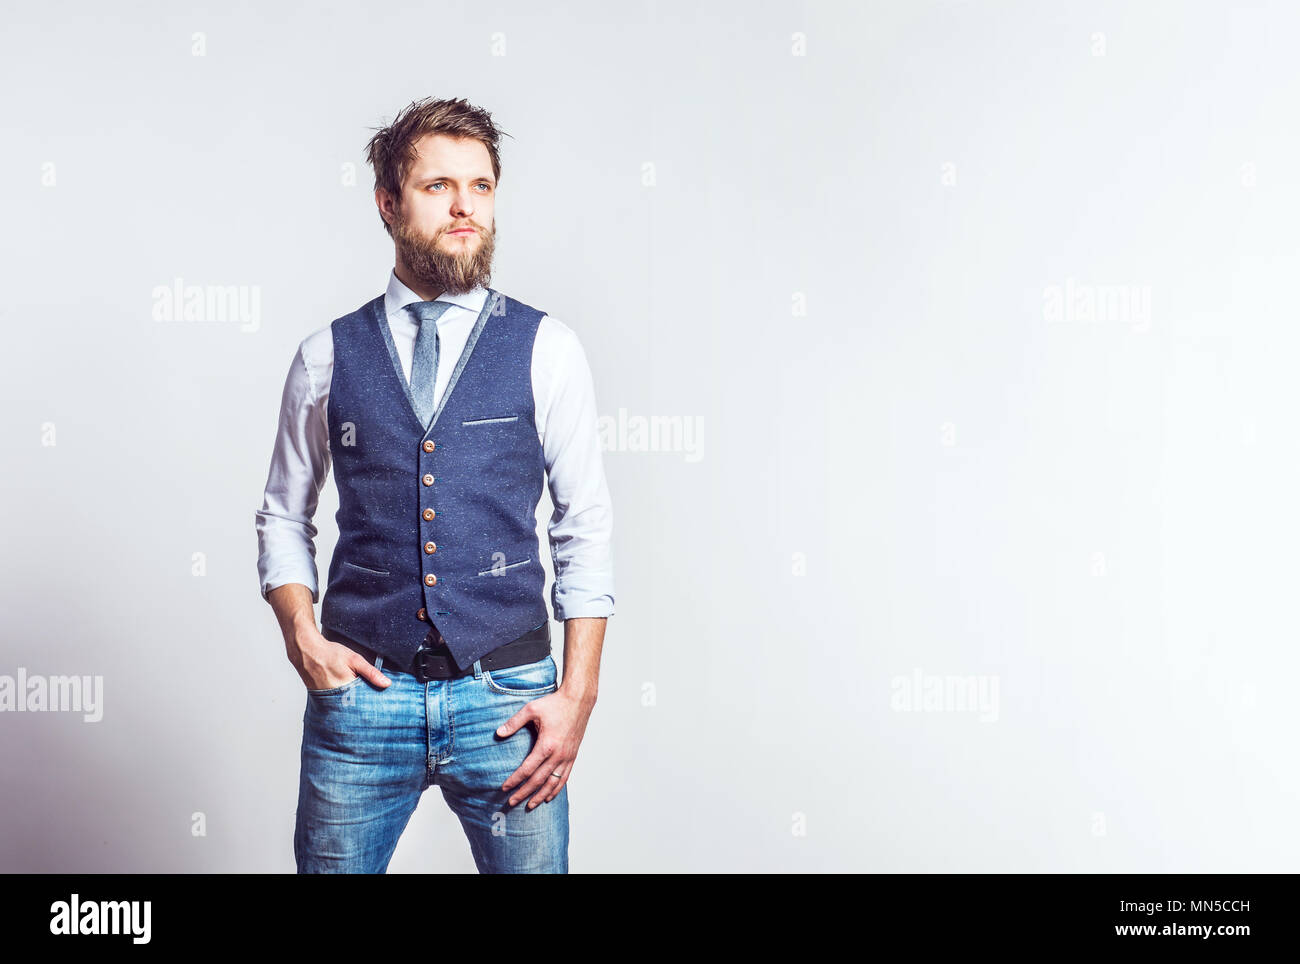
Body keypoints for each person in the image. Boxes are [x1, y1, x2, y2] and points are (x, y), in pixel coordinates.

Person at [253, 96, 615, 873]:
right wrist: (302, 638)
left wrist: (576, 694)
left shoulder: (547, 349)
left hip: (509, 698)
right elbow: (283, 515)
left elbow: (584, 524)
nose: (464, 208)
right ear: (387, 203)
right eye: (438, 187)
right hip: (362, 705)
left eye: (481, 187)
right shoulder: (326, 356)